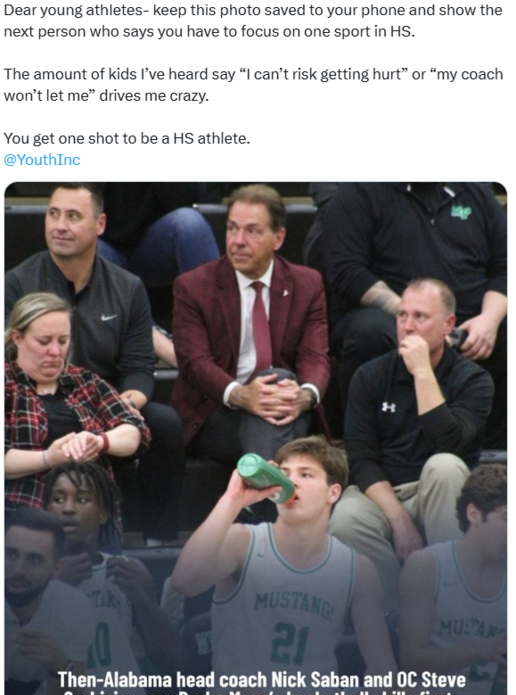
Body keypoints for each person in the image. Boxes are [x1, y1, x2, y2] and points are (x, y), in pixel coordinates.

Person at [171, 436, 480, 695]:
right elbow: (184, 581)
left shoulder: (356, 567)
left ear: (334, 493)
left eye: (306, 474)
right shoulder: (243, 541)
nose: (291, 482)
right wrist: (232, 499)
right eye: (285, 472)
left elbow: (382, 666)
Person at [4, 183, 185, 542]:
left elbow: (139, 367)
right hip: (34, 400)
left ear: (100, 224)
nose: (59, 226)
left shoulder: (128, 287)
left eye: (73, 216)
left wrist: (121, 406)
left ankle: (158, 541)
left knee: (164, 423)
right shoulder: (17, 282)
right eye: (53, 214)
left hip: (105, 401)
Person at [44, 462, 230, 695]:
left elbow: (171, 660)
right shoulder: (27, 573)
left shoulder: (129, 571)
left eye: (82, 499)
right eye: (58, 499)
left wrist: (142, 602)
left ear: (104, 513)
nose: (68, 508)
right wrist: (57, 589)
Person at [328, 278, 494, 613]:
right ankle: (400, 610)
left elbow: (448, 443)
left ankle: (450, 603)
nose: (407, 326)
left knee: (443, 466)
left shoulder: (473, 380)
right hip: (384, 492)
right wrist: (400, 521)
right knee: (345, 518)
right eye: (402, 315)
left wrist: (422, 373)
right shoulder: (370, 376)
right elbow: (361, 459)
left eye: (420, 316)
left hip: (441, 490)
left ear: (448, 324)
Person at [323, 182, 507, 448]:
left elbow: (505, 266)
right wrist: (415, 316)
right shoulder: (360, 192)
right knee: (370, 332)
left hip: (471, 319)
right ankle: (364, 447)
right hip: (388, 315)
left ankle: (498, 453)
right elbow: (347, 270)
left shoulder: (475, 192)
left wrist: (490, 319)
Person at [172, 183, 331, 470]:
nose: (238, 241)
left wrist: (305, 395)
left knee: (278, 387)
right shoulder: (193, 286)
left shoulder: (306, 284)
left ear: (278, 238)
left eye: (252, 231)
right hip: (218, 408)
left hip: (285, 406)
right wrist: (241, 395)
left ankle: (265, 491)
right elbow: (195, 363)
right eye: (232, 229)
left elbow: (315, 355)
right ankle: (273, 493)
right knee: (277, 420)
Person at [5, 293, 150, 549]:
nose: (55, 351)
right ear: (18, 338)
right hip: (21, 514)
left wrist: (99, 441)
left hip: (89, 519)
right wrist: (48, 458)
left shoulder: (85, 381)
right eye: (44, 341)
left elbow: (134, 430)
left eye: (63, 341)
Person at [398, 464, 507, 695]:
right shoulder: (428, 566)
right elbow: (411, 661)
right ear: (474, 514)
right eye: (507, 519)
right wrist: (480, 649)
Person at [5, 507, 97, 695]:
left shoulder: (73, 606)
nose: (18, 570)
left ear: (56, 568)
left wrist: (60, 667)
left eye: (34, 559)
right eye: (10, 554)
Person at [96, 182, 220, 287]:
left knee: (190, 222)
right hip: (105, 244)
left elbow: (193, 201)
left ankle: (213, 306)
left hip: (157, 245)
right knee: (90, 241)